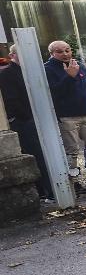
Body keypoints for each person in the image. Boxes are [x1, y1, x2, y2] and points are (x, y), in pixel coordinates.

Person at [44, 40, 86, 191]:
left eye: (67, 50)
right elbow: (52, 92)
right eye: (60, 51)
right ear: (52, 54)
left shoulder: (78, 65)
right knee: (71, 152)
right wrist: (69, 77)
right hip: (67, 117)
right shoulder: (47, 69)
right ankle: (75, 182)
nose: (65, 54)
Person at [1, 49, 52, 199]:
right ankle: (45, 190)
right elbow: (12, 101)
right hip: (25, 122)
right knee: (37, 155)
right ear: (12, 55)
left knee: (47, 154)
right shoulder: (7, 74)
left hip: (41, 119)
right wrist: (28, 117)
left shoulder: (36, 71)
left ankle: (50, 188)